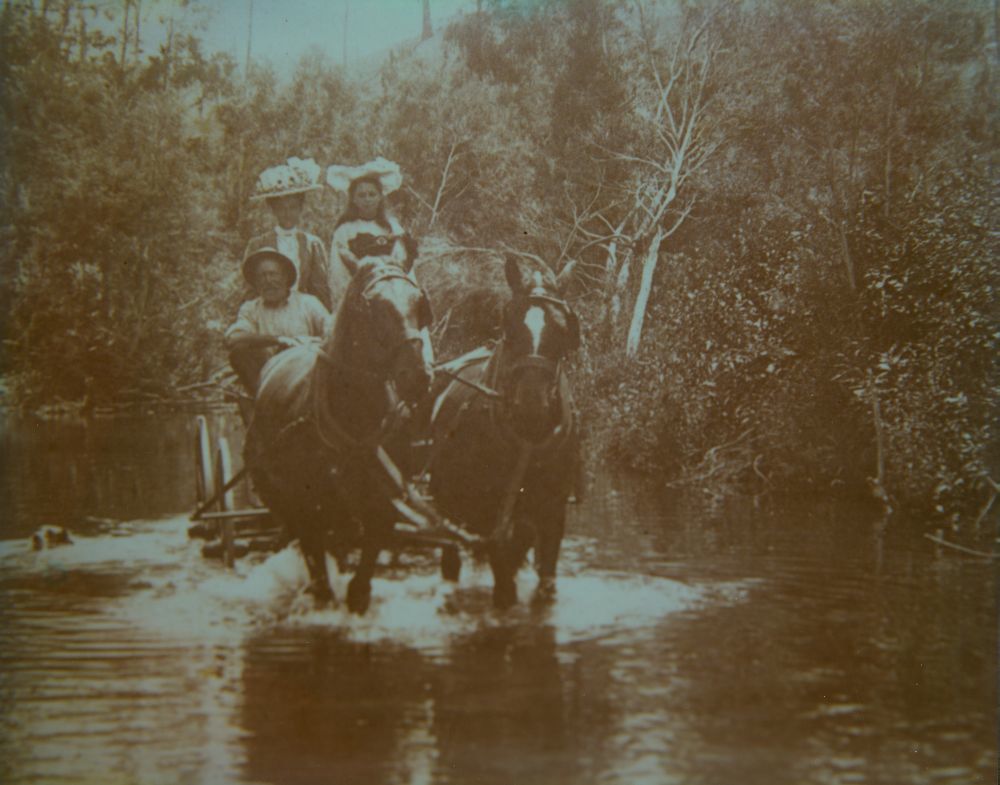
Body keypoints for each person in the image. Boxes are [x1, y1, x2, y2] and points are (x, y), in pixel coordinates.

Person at [225, 247, 331, 396]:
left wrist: (308, 343)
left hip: (305, 375)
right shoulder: (250, 309)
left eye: (273, 274)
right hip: (266, 379)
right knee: (239, 352)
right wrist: (278, 340)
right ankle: (264, 405)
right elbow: (233, 338)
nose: (268, 281)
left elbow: (332, 333)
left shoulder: (308, 303)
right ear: (255, 282)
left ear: (286, 277)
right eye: (262, 276)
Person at [244, 157, 333, 312]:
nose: (287, 213)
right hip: (266, 310)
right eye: (281, 208)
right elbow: (250, 287)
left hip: (302, 311)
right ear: (273, 210)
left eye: (293, 207)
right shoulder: (258, 244)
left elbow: (320, 288)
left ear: (300, 208)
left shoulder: (312, 243)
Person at [325, 157, 416, 285]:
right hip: (359, 292)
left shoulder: (392, 227)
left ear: (380, 197)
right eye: (361, 195)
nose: (367, 199)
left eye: (372, 194)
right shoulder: (344, 230)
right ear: (354, 199)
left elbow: (403, 263)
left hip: (392, 288)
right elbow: (338, 272)